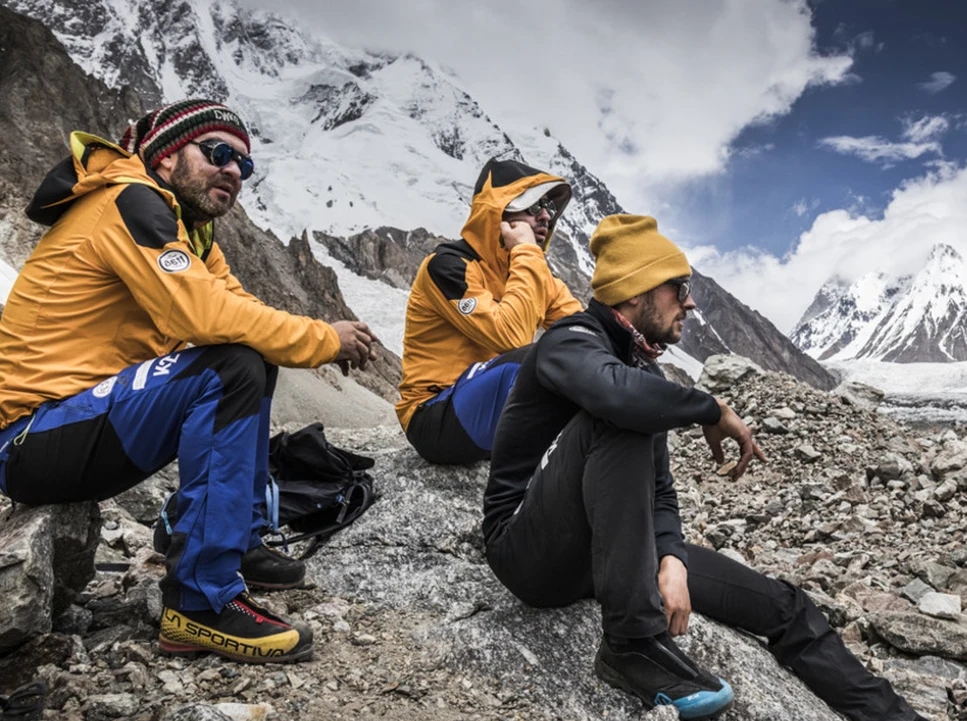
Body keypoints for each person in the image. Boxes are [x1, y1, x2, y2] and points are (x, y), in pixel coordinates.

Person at [482, 214, 967, 721]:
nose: (690, 305)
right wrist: (710, 408)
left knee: (783, 606)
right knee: (622, 412)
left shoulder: (640, 368)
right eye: (679, 289)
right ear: (640, 290)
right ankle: (630, 644)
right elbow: (615, 399)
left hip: (606, 550)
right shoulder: (570, 342)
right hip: (529, 550)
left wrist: (669, 557)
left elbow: (660, 491)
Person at [0, 99, 378, 664]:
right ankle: (199, 605)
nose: (232, 171)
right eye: (219, 153)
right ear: (167, 155)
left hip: (82, 424)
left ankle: (237, 540)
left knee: (249, 353)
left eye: (244, 167)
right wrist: (325, 338)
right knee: (231, 366)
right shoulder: (130, 201)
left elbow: (240, 311)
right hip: (29, 437)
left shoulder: (192, 236)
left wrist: (309, 335)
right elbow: (202, 317)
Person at [396, 157, 582, 465]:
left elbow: (582, 331)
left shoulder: (531, 272)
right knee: (537, 359)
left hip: (490, 413)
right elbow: (511, 337)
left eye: (549, 208)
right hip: (434, 416)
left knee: (584, 358)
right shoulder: (448, 266)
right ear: (499, 213)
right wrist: (526, 252)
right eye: (534, 206)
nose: (546, 217)